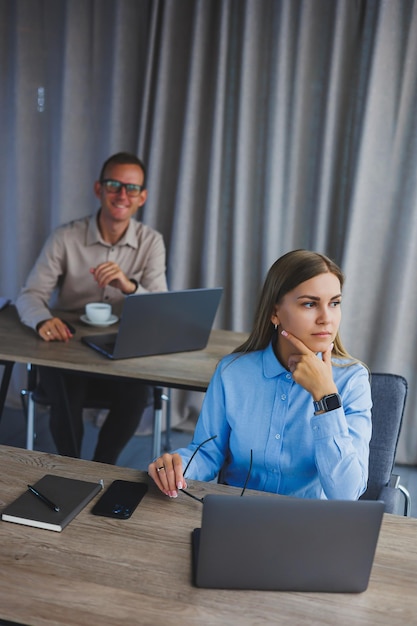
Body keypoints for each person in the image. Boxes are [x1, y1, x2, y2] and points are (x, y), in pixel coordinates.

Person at [149, 249, 372, 500]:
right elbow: (208, 453)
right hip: (236, 516)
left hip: (311, 524)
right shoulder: (232, 372)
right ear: (275, 312)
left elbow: (346, 494)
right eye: (310, 304)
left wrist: (325, 396)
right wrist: (176, 467)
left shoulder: (352, 380)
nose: (326, 318)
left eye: (334, 303)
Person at [16, 152, 167, 464]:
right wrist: (43, 319)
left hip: (121, 350)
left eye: (132, 188)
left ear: (142, 197)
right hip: (69, 345)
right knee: (62, 387)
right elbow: (30, 294)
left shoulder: (151, 242)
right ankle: (73, 467)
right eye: (114, 185)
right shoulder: (65, 237)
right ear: (99, 189)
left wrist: (130, 287)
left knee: (137, 394)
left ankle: (102, 465)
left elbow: (161, 308)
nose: (122, 195)